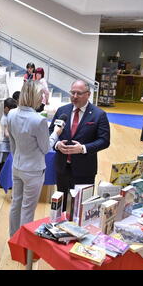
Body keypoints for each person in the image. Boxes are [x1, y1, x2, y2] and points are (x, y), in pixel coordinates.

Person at [8, 81, 62, 236]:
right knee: (27, 208)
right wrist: (56, 134)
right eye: (40, 96)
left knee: (16, 204)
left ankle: (13, 237)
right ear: (33, 97)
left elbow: (12, 144)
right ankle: (24, 244)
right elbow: (46, 148)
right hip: (33, 170)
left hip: (17, 166)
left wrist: (18, 157)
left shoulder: (11, 114)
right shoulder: (38, 120)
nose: (42, 99)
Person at [49, 80, 111, 211]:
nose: (75, 96)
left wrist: (83, 148)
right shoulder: (62, 111)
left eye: (79, 93)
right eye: (73, 93)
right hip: (62, 167)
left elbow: (104, 140)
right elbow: (51, 131)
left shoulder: (98, 114)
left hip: (85, 169)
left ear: (88, 94)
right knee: (62, 205)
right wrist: (57, 144)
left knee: (81, 207)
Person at [0, 97, 17, 184]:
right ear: (6, 109)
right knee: (4, 164)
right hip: (4, 144)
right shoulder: (5, 118)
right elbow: (6, 134)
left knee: (6, 164)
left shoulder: (7, 116)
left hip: (7, 144)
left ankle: (3, 180)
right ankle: (2, 181)